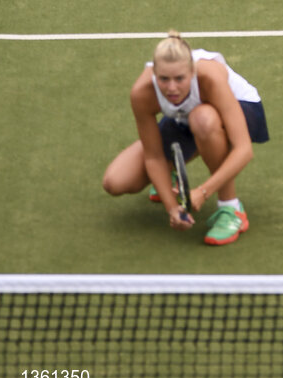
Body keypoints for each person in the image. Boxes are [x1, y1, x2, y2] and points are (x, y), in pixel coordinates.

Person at [102, 31, 269, 246]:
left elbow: (244, 150)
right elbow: (153, 156)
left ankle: (231, 208)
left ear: (192, 72)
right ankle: (171, 178)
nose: (171, 88)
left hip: (241, 109)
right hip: (184, 119)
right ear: (154, 74)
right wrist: (172, 208)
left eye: (179, 79)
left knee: (203, 119)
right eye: (164, 79)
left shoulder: (209, 78)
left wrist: (202, 191)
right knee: (115, 181)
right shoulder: (142, 93)